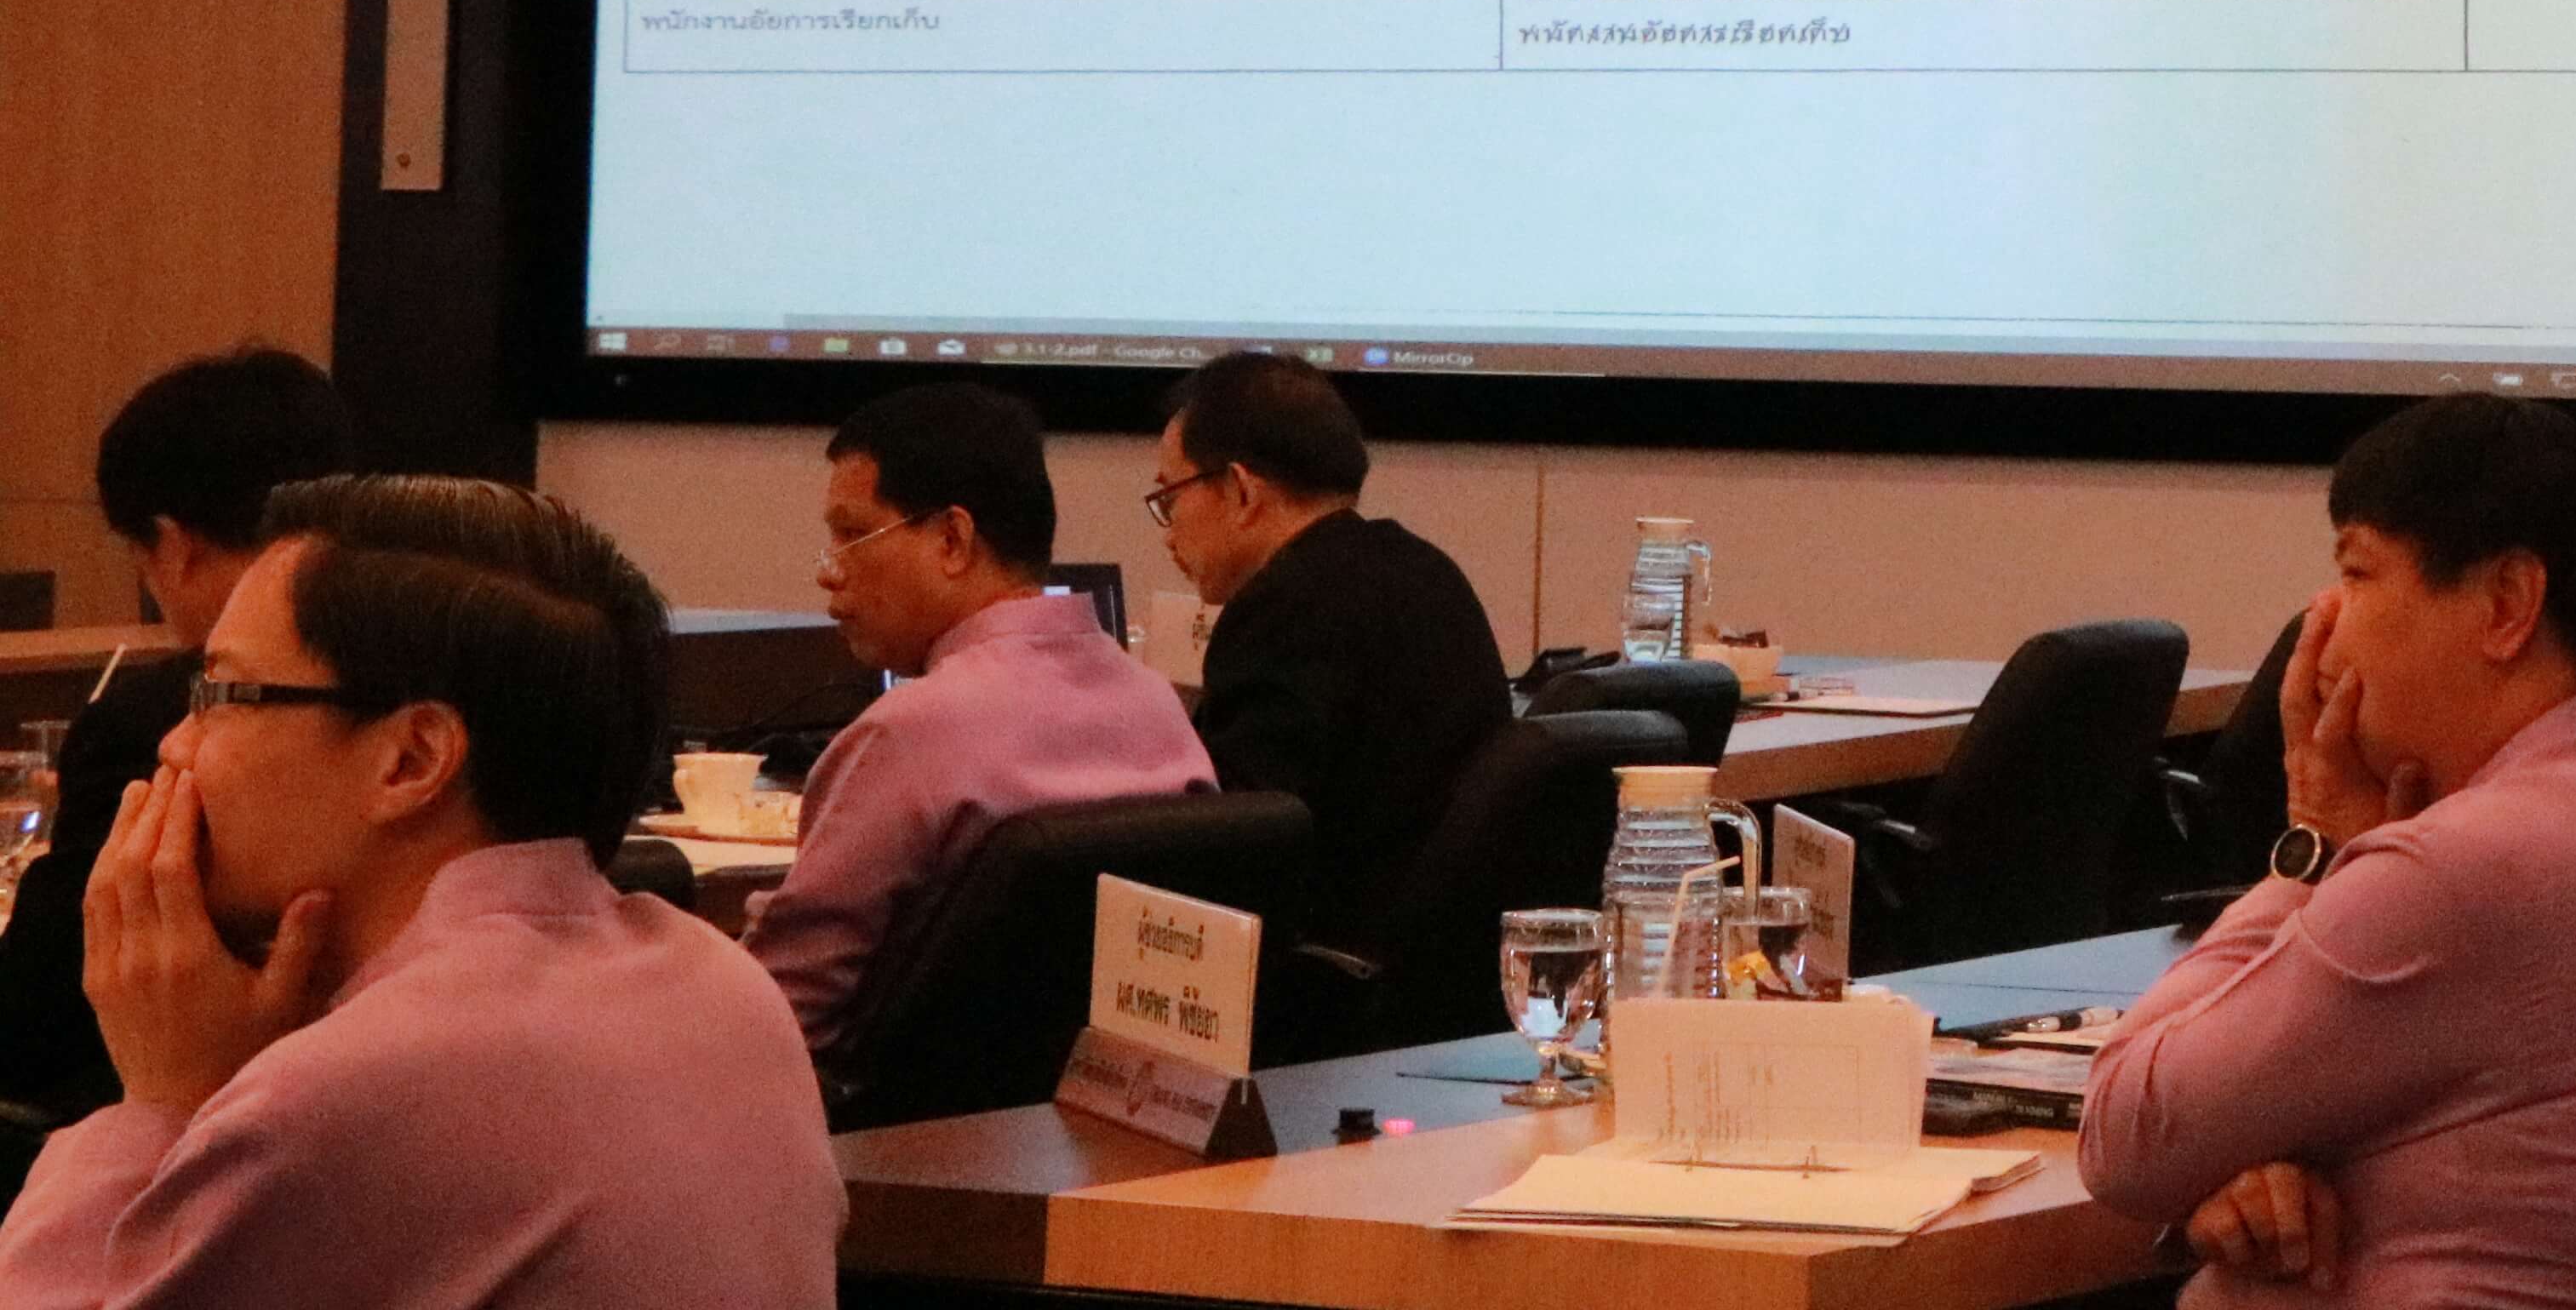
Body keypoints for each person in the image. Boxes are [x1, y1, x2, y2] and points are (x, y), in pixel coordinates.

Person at [2083, 398, 2576, 1308]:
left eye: (2357, 572)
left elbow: (2126, 1135)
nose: (2323, 617)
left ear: (2506, 605)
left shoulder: (2467, 870)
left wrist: (2315, 851)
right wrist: (2259, 1160)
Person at [0, 475, 836, 1309]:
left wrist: (161, 1099)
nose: (176, 745)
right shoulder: (727, 988)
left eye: (216, 694)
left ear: (410, 759)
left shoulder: (347, 1092)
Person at [742, 384, 1210, 1052]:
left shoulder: (904, 735)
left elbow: (777, 1014)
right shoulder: (1160, 708)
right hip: (1100, 1103)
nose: (830, 571)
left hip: (900, 1111)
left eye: (851, 534)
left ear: (952, 539)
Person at [0, 353, 357, 1133]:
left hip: (168, 1125)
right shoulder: (423, 676)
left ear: (173, 543)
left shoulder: (154, 721)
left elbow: (34, 1014)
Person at [1147, 354, 1502, 931]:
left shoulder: (1280, 610)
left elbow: (1237, 849)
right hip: (1441, 946)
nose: (1168, 532)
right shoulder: (1427, 571)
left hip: (1341, 954)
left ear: (1240, 491)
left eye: (1171, 497)